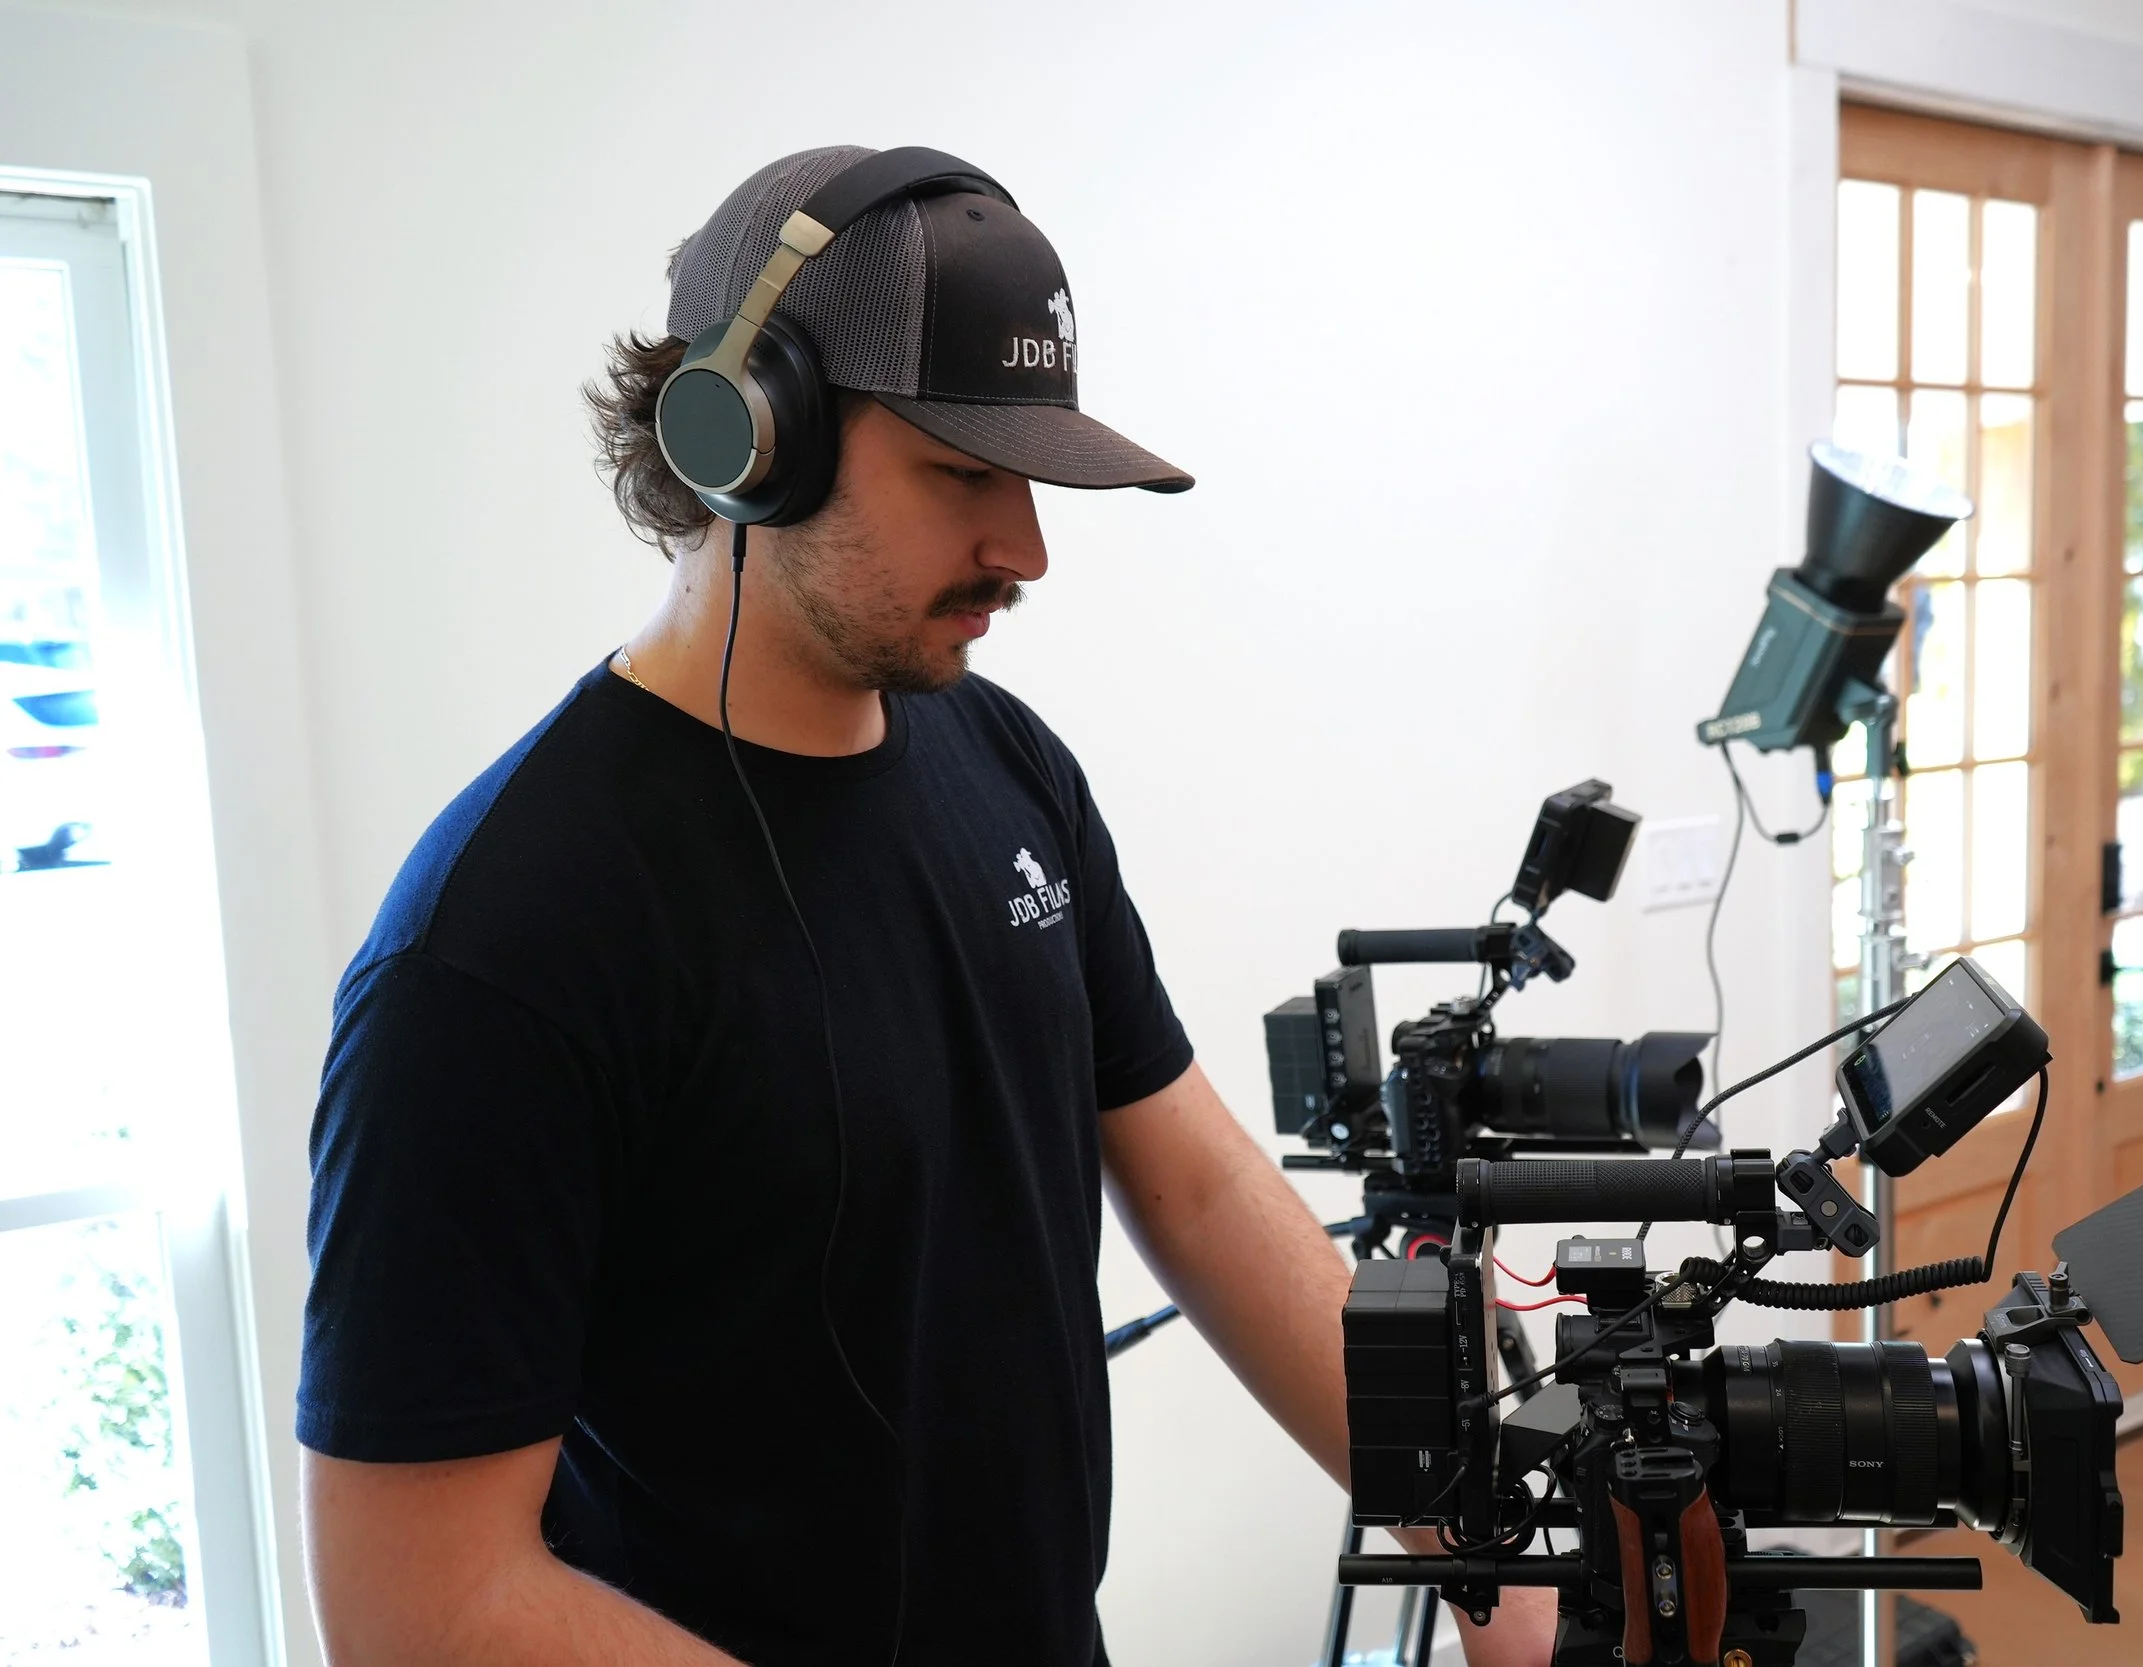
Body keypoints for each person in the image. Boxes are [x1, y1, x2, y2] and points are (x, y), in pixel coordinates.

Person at [294, 145, 1554, 1666]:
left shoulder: (1008, 767)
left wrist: (1487, 1539)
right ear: (748, 439)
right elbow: (417, 1604)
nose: (1025, 548)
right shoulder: (502, 945)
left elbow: (1202, 1195)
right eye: (962, 474)